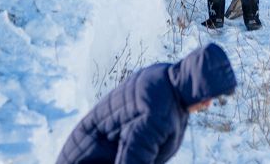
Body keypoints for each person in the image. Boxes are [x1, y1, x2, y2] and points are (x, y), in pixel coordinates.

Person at [56, 43, 237, 164]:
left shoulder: (166, 75)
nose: (208, 104)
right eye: (205, 97)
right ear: (194, 85)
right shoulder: (157, 115)